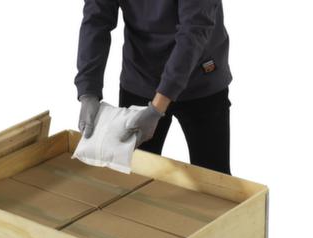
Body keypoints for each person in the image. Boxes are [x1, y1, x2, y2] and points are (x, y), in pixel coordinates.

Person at [74, 0, 232, 175]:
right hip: (141, 76)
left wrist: (157, 108)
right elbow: (96, 20)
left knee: (214, 178)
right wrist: (88, 91)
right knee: (133, 177)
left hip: (199, 78)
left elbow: (194, 30)